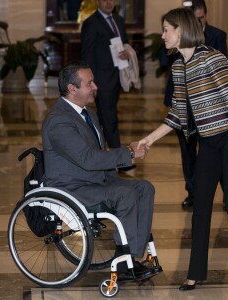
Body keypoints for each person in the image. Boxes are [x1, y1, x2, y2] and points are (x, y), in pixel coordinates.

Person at [138, 7, 228, 293]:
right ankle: (195, 273)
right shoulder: (178, 67)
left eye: (167, 29)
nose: (163, 35)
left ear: (181, 30)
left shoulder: (212, 58)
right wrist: (149, 140)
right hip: (208, 144)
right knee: (200, 208)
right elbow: (178, 114)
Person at [41, 61, 155, 281]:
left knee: (144, 188)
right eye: (89, 83)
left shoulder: (89, 115)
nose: (95, 86)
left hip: (94, 180)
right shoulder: (59, 121)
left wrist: (128, 151)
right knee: (126, 194)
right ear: (72, 89)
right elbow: (88, 159)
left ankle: (130, 257)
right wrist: (128, 154)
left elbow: (98, 153)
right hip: (72, 187)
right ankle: (125, 263)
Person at [159, 0, 228, 208]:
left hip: (210, 110)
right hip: (183, 102)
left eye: (200, 18)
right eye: (193, 19)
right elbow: (165, 62)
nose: (197, 23)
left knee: (216, 152)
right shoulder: (177, 59)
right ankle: (193, 192)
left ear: (205, 16)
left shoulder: (217, 39)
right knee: (188, 151)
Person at [81, 0, 132, 167]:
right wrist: (90, 82)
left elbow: (124, 43)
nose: (109, 2)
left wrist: (126, 52)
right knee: (110, 118)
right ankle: (120, 160)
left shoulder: (119, 20)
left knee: (105, 118)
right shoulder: (91, 23)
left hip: (118, 75)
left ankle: (102, 157)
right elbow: (87, 54)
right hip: (101, 79)